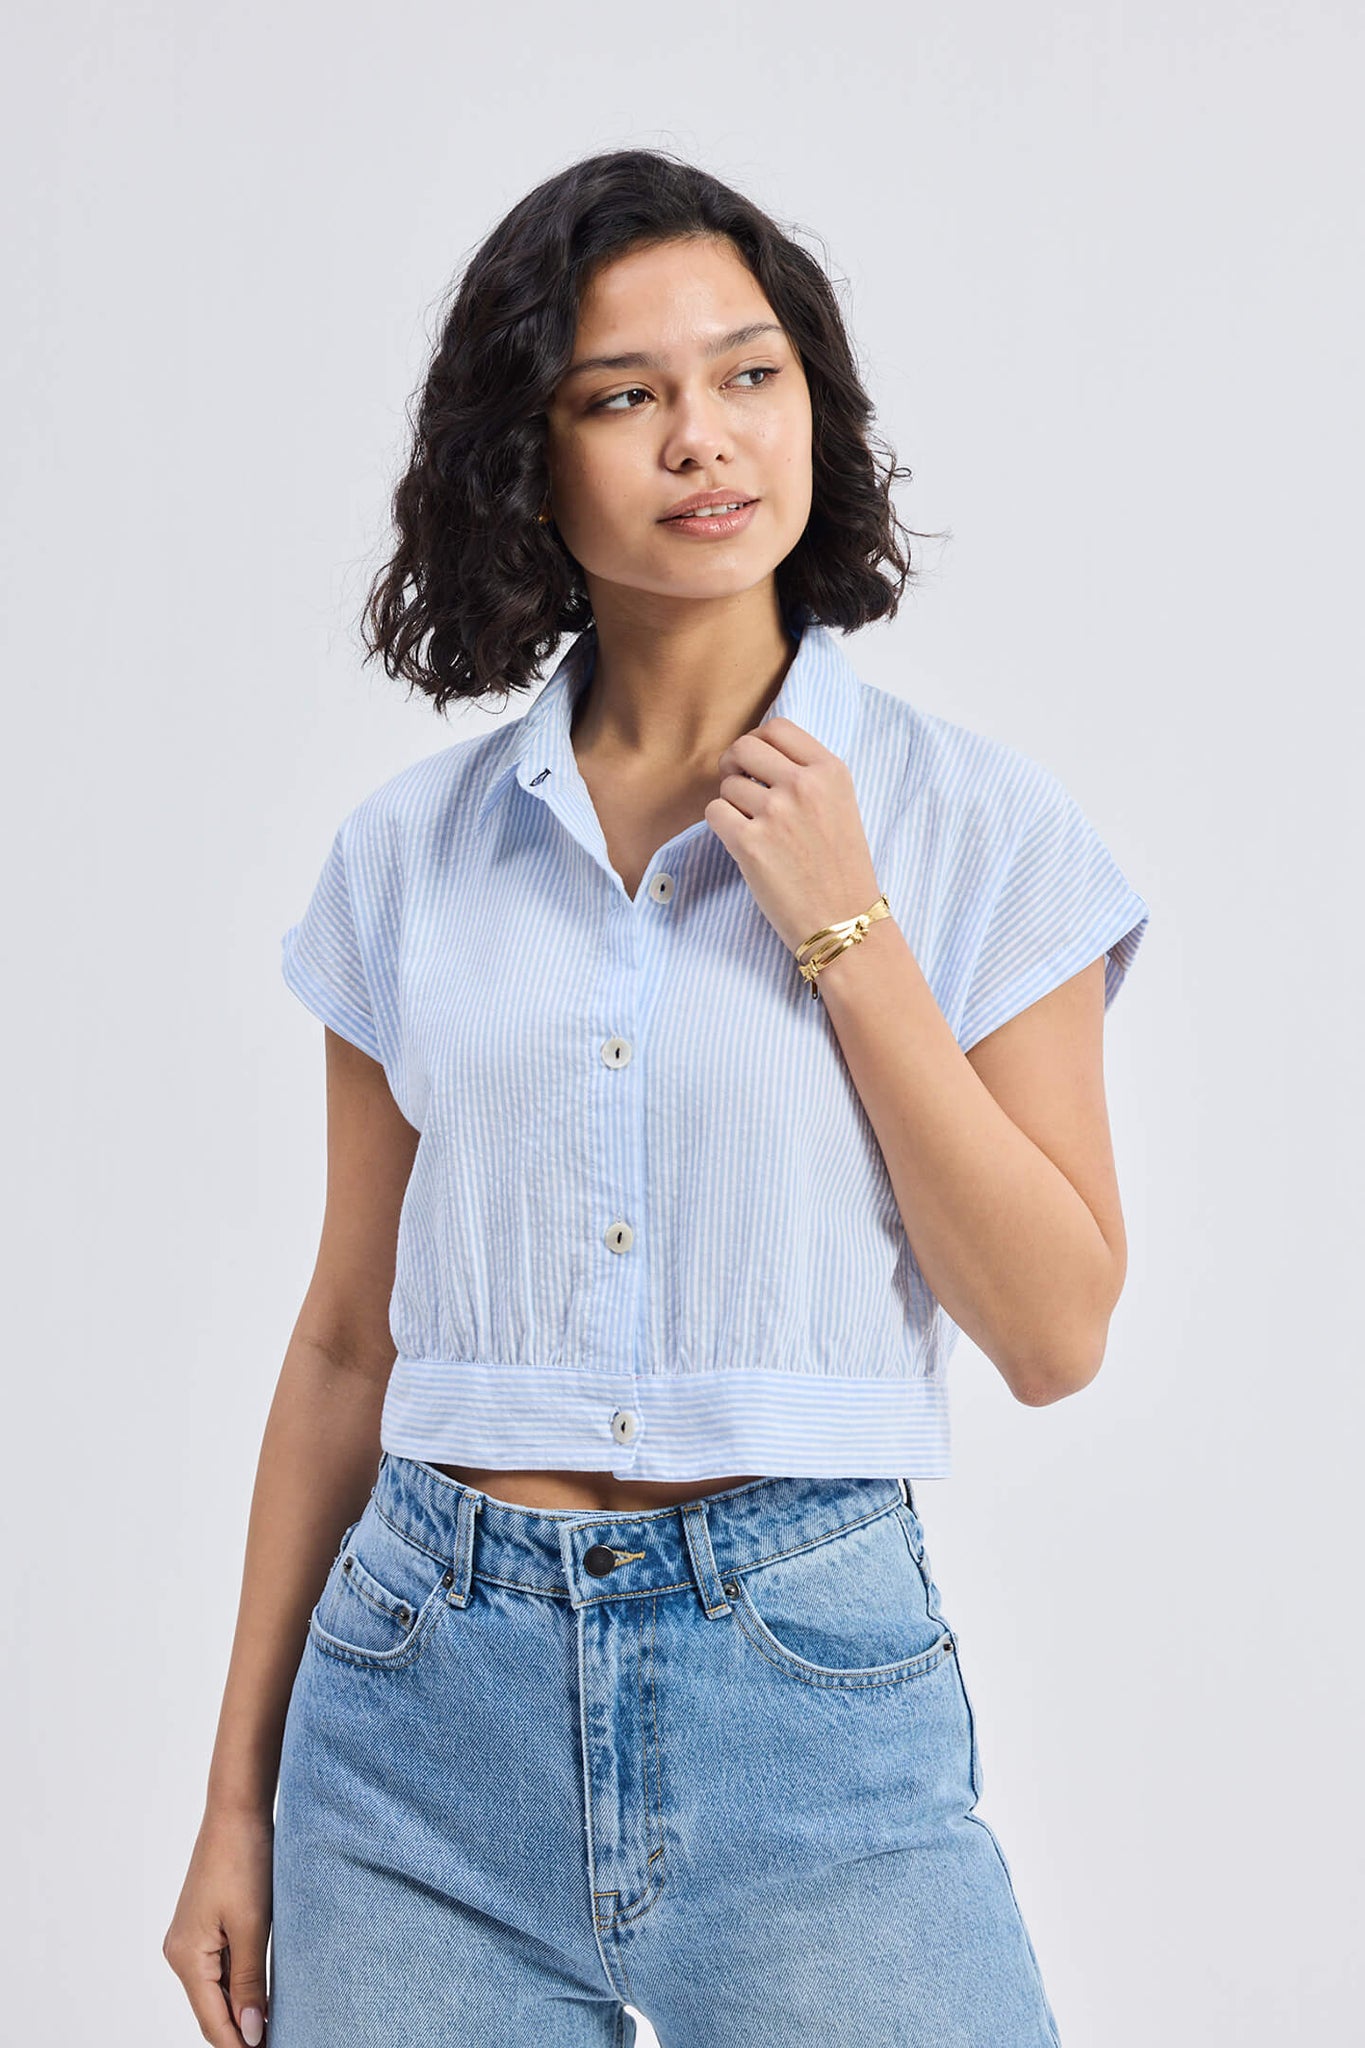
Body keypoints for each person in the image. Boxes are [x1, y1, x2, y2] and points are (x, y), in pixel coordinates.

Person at [163, 148, 1149, 2047]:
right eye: (625, 395)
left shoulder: (975, 829)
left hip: (805, 1708)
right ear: (524, 459)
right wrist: (233, 1805)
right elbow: (350, 1339)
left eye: (749, 374)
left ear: (813, 404)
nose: (704, 437)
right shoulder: (413, 856)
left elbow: (1054, 1332)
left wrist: (846, 931)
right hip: (412, 1728)